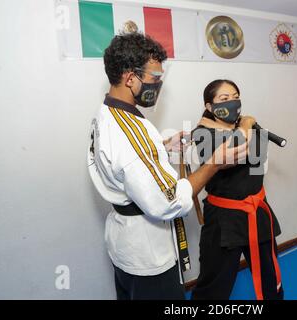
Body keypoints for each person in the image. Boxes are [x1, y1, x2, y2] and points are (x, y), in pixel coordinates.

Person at [87, 34, 247, 300]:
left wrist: (160, 147)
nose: (158, 84)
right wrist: (215, 164)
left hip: (124, 243)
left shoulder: (106, 114)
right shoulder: (131, 130)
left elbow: (119, 159)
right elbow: (170, 200)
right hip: (148, 254)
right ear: (130, 78)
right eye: (154, 77)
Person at [191, 79, 284, 300]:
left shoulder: (247, 127)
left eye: (235, 97)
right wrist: (245, 129)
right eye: (224, 99)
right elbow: (233, 154)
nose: (232, 102)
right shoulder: (202, 133)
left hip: (256, 212)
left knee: (271, 279)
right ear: (209, 106)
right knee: (214, 286)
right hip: (224, 221)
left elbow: (256, 166)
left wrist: (248, 129)